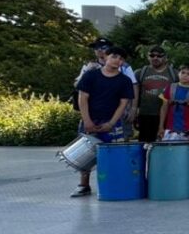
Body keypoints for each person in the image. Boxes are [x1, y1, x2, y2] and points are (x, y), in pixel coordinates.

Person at [71, 46, 134, 197]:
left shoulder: (125, 80)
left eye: (121, 59)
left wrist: (111, 123)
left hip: (112, 123)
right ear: (105, 57)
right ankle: (84, 185)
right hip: (90, 120)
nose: (117, 60)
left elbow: (123, 104)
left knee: (114, 154)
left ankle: (112, 185)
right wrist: (87, 120)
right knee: (86, 154)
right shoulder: (91, 75)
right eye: (114, 56)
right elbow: (82, 98)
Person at [74, 38, 138, 124]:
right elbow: (77, 86)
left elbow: (134, 86)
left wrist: (133, 108)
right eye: (96, 47)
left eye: (103, 47)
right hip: (91, 114)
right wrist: (87, 72)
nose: (99, 50)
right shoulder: (88, 66)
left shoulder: (124, 66)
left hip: (119, 114)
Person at [134, 45, 177, 142]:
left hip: (167, 115)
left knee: (164, 144)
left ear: (165, 58)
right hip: (145, 114)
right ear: (148, 57)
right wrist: (134, 110)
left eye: (159, 56)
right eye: (152, 55)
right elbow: (134, 94)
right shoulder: (140, 72)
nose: (155, 58)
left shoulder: (174, 74)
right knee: (145, 144)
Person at [157, 63, 189, 141]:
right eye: (183, 72)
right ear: (178, 73)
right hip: (170, 128)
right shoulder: (170, 88)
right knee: (169, 147)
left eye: (188, 74)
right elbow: (164, 108)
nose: (185, 75)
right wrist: (161, 127)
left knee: (186, 148)